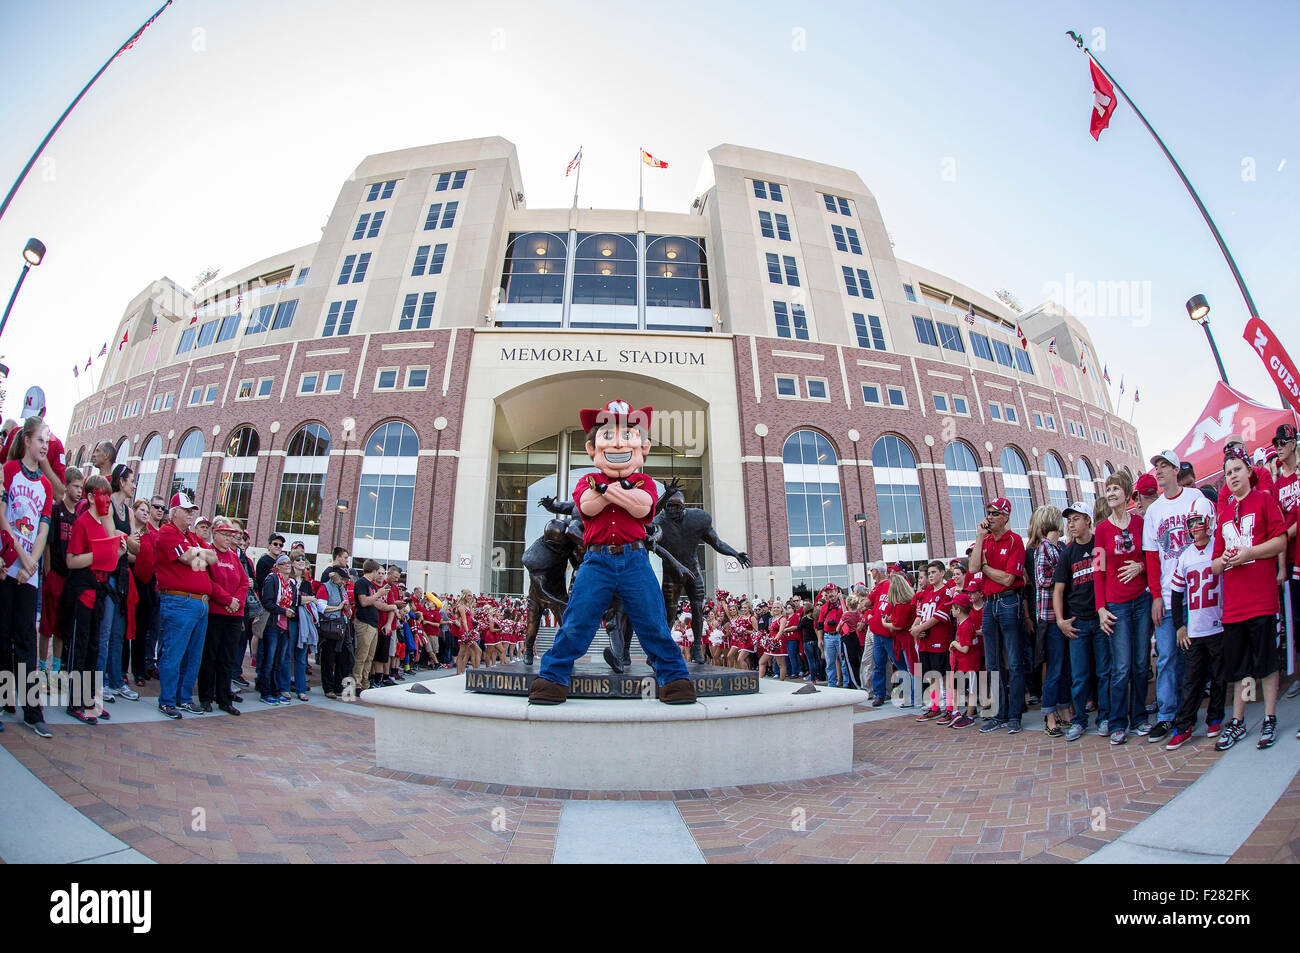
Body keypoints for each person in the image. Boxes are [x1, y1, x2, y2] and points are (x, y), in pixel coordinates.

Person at [528, 399, 693, 705]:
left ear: (643, 447)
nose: (618, 443)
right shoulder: (584, 483)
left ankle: (673, 678)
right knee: (577, 621)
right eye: (608, 436)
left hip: (635, 559)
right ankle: (553, 677)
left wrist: (605, 490)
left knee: (653, 622)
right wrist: (618, 493)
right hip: (597, 561)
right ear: (592, 449)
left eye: (627, 436)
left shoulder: (644, 482)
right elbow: (588, 506)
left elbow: (642, 506)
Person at [1212, 445, 1287, 750]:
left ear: (1249, 471)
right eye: (1228, 473)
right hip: (1234, 606)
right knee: (1240, 668)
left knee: (1266, 662)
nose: (1232, 476)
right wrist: (1229, 560)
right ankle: (1239, 722)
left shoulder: (1265, 500)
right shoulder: (1224, 513)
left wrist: (1250, 553)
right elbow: (1215, 564)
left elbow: (1281, 540)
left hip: (1262, 598)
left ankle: (1270, 717)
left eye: (1237, 470)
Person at [1142, 450, 1216, 743]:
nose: (1158, 471)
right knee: (1167, 656)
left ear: (1175, 469)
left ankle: (1196, 713)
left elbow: (1211, 538)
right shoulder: (1153, 511)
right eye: (1156, 466)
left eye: (1163, 466)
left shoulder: (1196, 499)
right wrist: (1156, 596)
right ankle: (1167, 715)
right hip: (1169, 592)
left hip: (1198, 589)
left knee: (1199, 654)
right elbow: (1151, 557)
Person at [0, 417, 55, 736]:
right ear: (26, 441)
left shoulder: (46, 485)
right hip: (7, 566)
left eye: (48, 440)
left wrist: (32, 563)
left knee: (26, 640)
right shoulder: (8, 473)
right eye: (41, 439)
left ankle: (33, 711)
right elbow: (4, 521)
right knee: (1, 634)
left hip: (28, 573)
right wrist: (22, 559)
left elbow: (43, 526)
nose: (45, 445)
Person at [1093, 471, 1153, 741]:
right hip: (1116, 605)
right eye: (1109, 489)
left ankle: (1139, 717)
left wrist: (1141, 567)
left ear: (1127, 493)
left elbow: (1152, 557)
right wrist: (1100, 608)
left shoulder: (1141, 523)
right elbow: (1097, 572)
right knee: (1121, 667)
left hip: (1141, 601)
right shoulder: (1102, 530)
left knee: (1141, 664)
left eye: (1116, 488)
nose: (1112, 493)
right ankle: (1117, 722)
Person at [61, 474, 124, 725]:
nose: (107, 500)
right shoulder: (83, 523)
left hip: (97, 592)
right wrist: (100, 553)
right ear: (90, 497)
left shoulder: (101, 523)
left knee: (94, 648)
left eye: (109, 495)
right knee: (79, 647)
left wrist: (115, 553)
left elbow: (106, 561)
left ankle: (88, 699)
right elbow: (71, 560)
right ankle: (75, 702)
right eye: (103, 495)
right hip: (81, 593)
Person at [1164, 513, 1226, 749]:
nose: (1197, 527)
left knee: (1219, 675)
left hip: (1218, 624)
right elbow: (1177, 593)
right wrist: (1180, 625)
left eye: (1200, 522)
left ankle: (1215, 718)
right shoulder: (1185, 556)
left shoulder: (1217, 549)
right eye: (1192, 524)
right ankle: (1184, 724)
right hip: (1196, 629)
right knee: (1193, 680)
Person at [154, 492, 217, 719]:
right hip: (179, 600)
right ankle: (168, 700)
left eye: (192, 511)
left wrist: (199, 555)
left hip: (198, 602)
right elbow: (190, 557)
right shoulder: (167, 532)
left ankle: (183, 698)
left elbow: (212, 558)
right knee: (174, 651)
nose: (191, 514)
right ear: (175, 512)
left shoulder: (190, 536)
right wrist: (200, 556)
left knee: (193, 655)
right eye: (187, 510)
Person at [1054, 501, 1110, 743]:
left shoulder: (1100, 544)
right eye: (1069, 520)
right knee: (1079, 675)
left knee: (1104, 671)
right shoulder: (1068, 553)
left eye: (1076, 519)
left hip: (1100, 620)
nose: (1071, 524)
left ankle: (1105, 717)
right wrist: (1060, 621)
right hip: (1077, 622)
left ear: (1088, 520)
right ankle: (1079, 721)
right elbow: (1058, 590)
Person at [972, 497, 1027, 734]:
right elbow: (973, 567)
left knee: (1013, 662)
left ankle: (1014, 714)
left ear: (1005, 516)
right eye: (989, 513)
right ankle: (999, 713)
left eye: (995, 513)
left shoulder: (1014, 540)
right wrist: (979, 538)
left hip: (1008, 601)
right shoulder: (985, 541)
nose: (990, 517)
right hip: (989, 604)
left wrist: (986, 568)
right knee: (993, 662)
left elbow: (1008, 578)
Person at [97, 464, 142, 704]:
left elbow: (136, 546)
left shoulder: (127, 511)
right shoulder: (107, 505)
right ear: (121, 481)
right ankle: (99, 682)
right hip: (107, 576)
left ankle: (116, 681)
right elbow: (109, 534)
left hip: (123, 576)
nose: (134, 485)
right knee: (104, 633)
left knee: (117, 634)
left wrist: (122, 538)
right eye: (132, 481)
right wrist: (124, 538)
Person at [1027, 505, 1072, 736]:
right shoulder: (1043, 548)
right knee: (1054, 667)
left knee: (1064, 667)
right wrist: (1063, 577)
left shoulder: (1059, 547)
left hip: (1062, 614)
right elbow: (1043, 579)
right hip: (1049, 616)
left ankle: (1064, 710)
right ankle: (1048, 714)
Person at [198, 517, 248, 714]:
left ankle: (224, 697)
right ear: (215, 534)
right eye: (225, 535)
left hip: (234, 615)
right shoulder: (207, 553)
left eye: (231, 535)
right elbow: (207, 581)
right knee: (210, 656)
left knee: (227, 658)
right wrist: (228, 600)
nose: (229, 539)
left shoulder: (234, 556)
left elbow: (244, 582)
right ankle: (206, 696)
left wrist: (237, 602)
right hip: (216, 612)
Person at [40, 466, 83, 687]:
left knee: (61, 627)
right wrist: (47, 573)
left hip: (70, 579)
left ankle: (55, 669)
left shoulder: (80, 517)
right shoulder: (56, 511)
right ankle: (40, 668)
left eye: (81, 487)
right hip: (54, 574)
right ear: (65, 486)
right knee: (46, 625)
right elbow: (47, 544)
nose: (78, 491)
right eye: (75, 486)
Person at [913, 562, 954, 721]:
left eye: (934, 572)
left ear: (942, 573)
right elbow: (919, 613)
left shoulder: (946, 592)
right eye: (928, 573)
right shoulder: (926, 592)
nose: (930, 575)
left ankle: (950, 709)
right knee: (930, 675)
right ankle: (935, 707)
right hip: (925, 640)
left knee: (944, 675)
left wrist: (919, 628)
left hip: (940, 640)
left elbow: (940, 616)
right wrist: (914, 629)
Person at [259, 554, 297, 704]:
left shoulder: (292, 583)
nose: (287, 565)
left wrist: (290, 610)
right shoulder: (272, 579)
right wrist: (283, 611)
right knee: (268, 660)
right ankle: (265, 692)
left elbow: (294, 602)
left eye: (289, 563)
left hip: (285, 625)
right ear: (278, 566)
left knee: (279, 661)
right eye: (283, 563)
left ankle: (276, 690)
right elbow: (267, 602)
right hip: (272, 624)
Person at [128, 497, 156, 688]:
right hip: (129, 581)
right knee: (124, 632)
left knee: (142, 631)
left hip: (146, 586)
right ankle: (120, 671)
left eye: (147, 510)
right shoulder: (129, 532)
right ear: (134, 511)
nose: (145, 513)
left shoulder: (151, 534)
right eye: (142, 510)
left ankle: (138, 671)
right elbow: (125, 553)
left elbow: (153, 557)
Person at [947, 591, 983, 729]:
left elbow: (965, 648)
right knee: (957, 687)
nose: (951, 610)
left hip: (969, 664)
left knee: (972, 690)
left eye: (953, 608)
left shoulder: (967, 624)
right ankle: (957, 712)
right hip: (961, 663)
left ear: (958, 610)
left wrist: (954, 644)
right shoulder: (962, 623)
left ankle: (969, 716)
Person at [882, 572, 917, 706]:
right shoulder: (906, 603)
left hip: (907, 640)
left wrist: (885, 623)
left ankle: (913, 698)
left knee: (911, 669)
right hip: (906, 639)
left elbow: (898, 625)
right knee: (911, 669)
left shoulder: (902, 604)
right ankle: (914, 697)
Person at [350, 559, 385, 690]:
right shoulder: (361, 583)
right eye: (378, 572)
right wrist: (378, 594)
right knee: (361, 655)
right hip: (364, 623)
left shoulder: (371, 585)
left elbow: (374, 603)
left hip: (372, 624)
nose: (380, 575)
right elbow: (363, 602)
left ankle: (365, 682)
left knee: (369, 657)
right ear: (374, 571)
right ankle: (356, 683)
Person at [864, 563, 892, 705]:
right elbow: (868, 605)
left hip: (888, 631)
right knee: (879, 664)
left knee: (899, 662)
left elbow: (866, 602)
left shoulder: (887, 585)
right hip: (877, 631)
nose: (871, 573)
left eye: (872, 571)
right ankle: (879, 694)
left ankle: (908, 692)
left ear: (878, 572)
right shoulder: (878, 587)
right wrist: (869, 615)